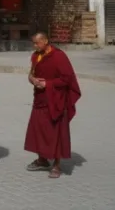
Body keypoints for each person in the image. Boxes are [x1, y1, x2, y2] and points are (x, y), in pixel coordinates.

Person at [24, 32, 82, 179]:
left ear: (45, 41)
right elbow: (31, 74)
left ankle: (56, 164)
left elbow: (66, 79)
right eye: (34, 43)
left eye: (37, 43)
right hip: (40, 99)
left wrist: (47, 84)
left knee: (55, 132)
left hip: (55, 99)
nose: (35, 46)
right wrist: (32, 80)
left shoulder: (58, 56)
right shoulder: (36, 56)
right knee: (39, 129)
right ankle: (42, 159)